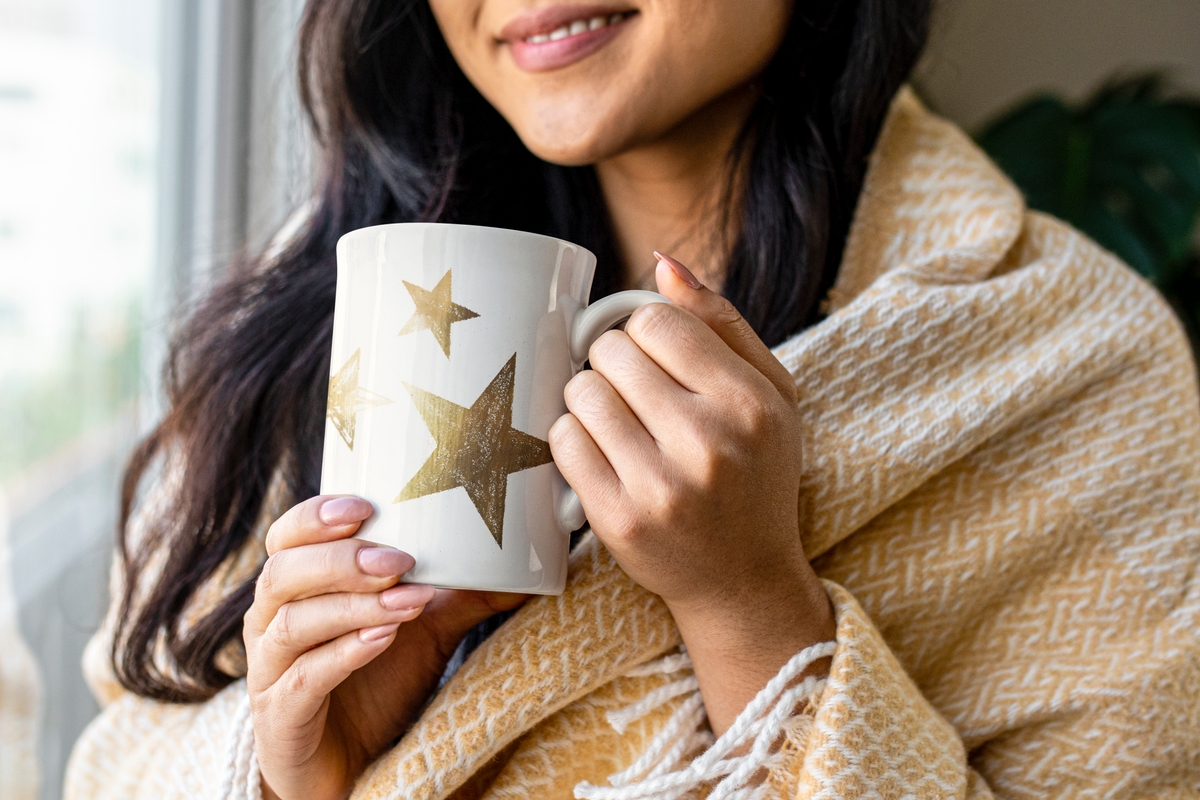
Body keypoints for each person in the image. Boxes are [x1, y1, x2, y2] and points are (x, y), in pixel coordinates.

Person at [65, 0, 1200, 798]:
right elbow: (118, 754)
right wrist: (306, 768)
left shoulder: (1075, 367)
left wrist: (753, 606)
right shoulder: (318, 322)